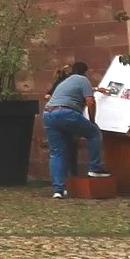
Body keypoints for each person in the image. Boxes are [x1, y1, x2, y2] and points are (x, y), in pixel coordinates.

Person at [44, 58, 106, 198]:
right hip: (66, 113)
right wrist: (92, 121)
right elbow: (90, 102)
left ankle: (58, 190)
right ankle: (95, 168)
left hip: (48, 114)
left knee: (56, 154)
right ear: (85, 72)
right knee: (94, 133)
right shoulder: (83, 79)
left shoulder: (65, 81)